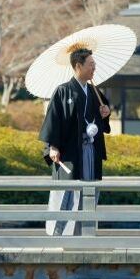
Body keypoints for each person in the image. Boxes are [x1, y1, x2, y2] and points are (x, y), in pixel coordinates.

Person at [39, 46, 111, 236]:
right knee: (67, 191)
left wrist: (105, 113)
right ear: (78, 66)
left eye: (94, 64)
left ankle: (85, 234)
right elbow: (54, 120)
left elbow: (101, 121)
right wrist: (53, 146)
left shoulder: (95, 92)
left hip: (91, 150)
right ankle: (59, 235)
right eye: (91, 64)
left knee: (90, 190)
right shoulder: (63, 91)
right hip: (70, 152)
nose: (94, 68)